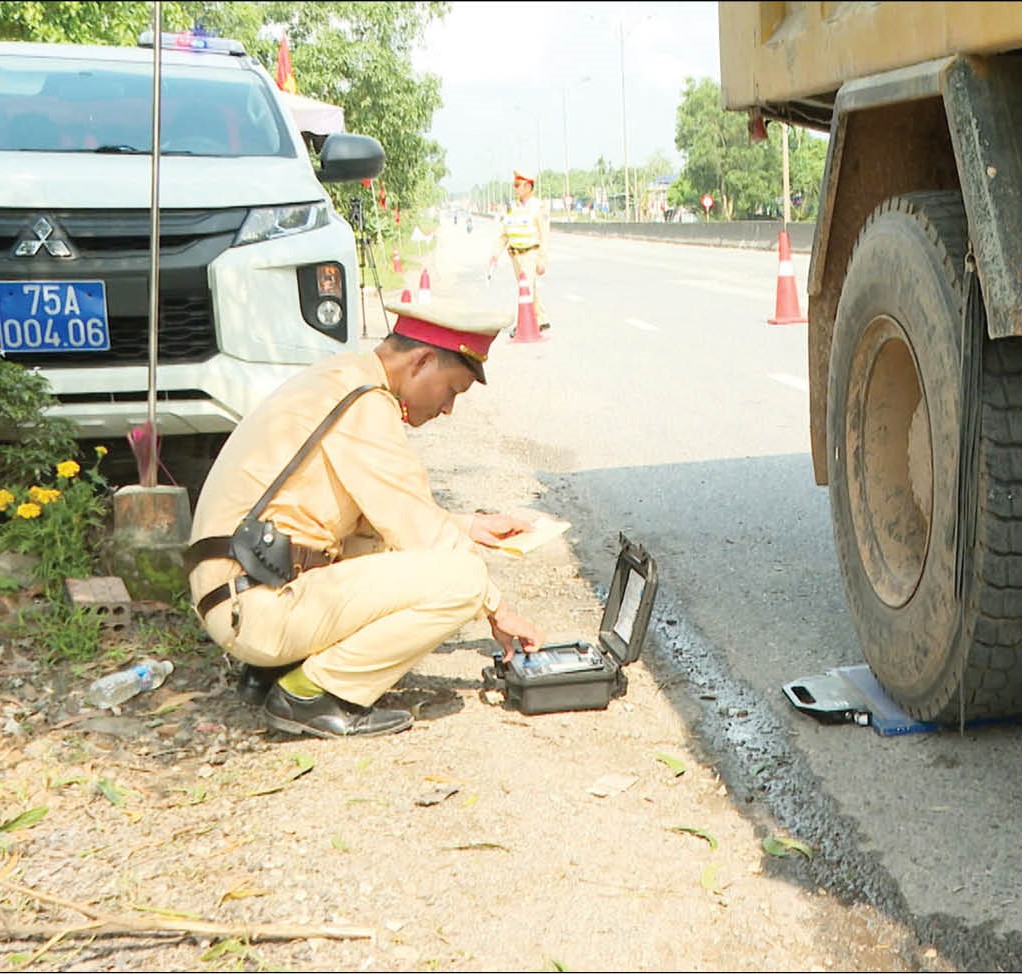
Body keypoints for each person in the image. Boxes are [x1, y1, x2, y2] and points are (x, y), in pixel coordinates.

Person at [185, 299, 547, 739]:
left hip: (237, 587)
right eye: (452, 390)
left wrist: (470, 525)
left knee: (380, 548)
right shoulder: (365, 405)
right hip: (253, 606)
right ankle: (310, 694)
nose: (448, 408)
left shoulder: (341, 378)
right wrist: (497, 608)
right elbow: (416, 531)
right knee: (465, 580)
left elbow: (379, 518)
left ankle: (273, 669)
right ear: (423, 361)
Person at [489, 167, 551, 331]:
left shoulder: (538, 207)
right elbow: (504, 233)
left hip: (531, 253)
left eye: (518, 185)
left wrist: (542, 259)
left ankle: (522, 324)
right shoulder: (512, 208)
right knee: (528, 286)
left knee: (526, 287)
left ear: (528, 187)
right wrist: (496, 254)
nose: (515, 189)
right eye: (514, 185)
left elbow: (545, 235)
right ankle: (541, 318)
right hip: (515, 254)